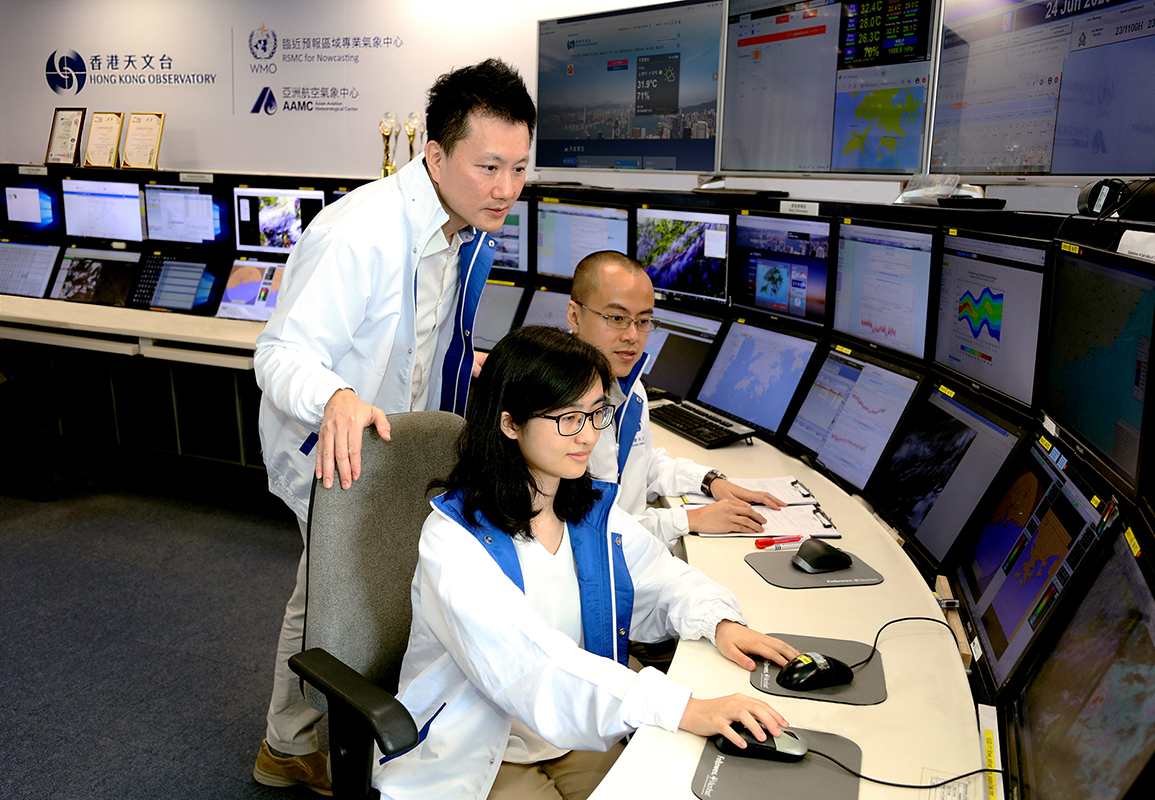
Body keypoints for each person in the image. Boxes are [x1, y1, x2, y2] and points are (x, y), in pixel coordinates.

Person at [250, 58, 535, 794]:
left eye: (519, 168)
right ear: (435, 156)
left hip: (395, 446)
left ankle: (343, 729)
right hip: (334, 444)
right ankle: (290, 743)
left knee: (368, 589)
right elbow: (278, 353)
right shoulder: (361, 232)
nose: (506, 188)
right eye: (489, 167)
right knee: (329, 594)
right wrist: (336, 394)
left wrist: (459, 364)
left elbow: (419, 327)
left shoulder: (456, 223)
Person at [375, 326, 799, 799]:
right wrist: (682, 707)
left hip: (571, 734)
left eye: (596, 414)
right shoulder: (452, 541)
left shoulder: (589, 510)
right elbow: (531, 666)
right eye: (568, 419)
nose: (589, 436)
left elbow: (663, 578)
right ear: (509, 423)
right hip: (481, 748)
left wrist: (720, 622)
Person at [567, 250, 786, 550]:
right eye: (617, 318)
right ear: (574, 316)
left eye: (643, 321)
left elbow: (639, 462)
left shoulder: (629, 387)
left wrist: (711, 482)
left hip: (635, 556)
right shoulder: (559, 408)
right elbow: (590, 531)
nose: (633, 335)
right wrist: (687, 519)